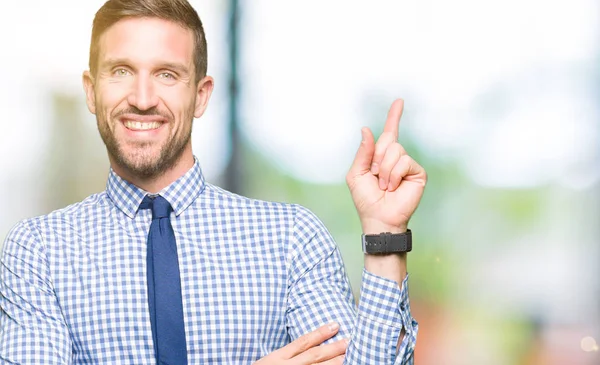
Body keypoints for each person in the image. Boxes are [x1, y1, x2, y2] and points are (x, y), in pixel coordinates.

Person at [0, 0, 426, 364]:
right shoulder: (39, 253)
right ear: (92, 91)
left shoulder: (291, 239)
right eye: (122, 71)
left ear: (201, 95)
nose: (143, 98)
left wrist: (385, 237)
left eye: (167, 74)